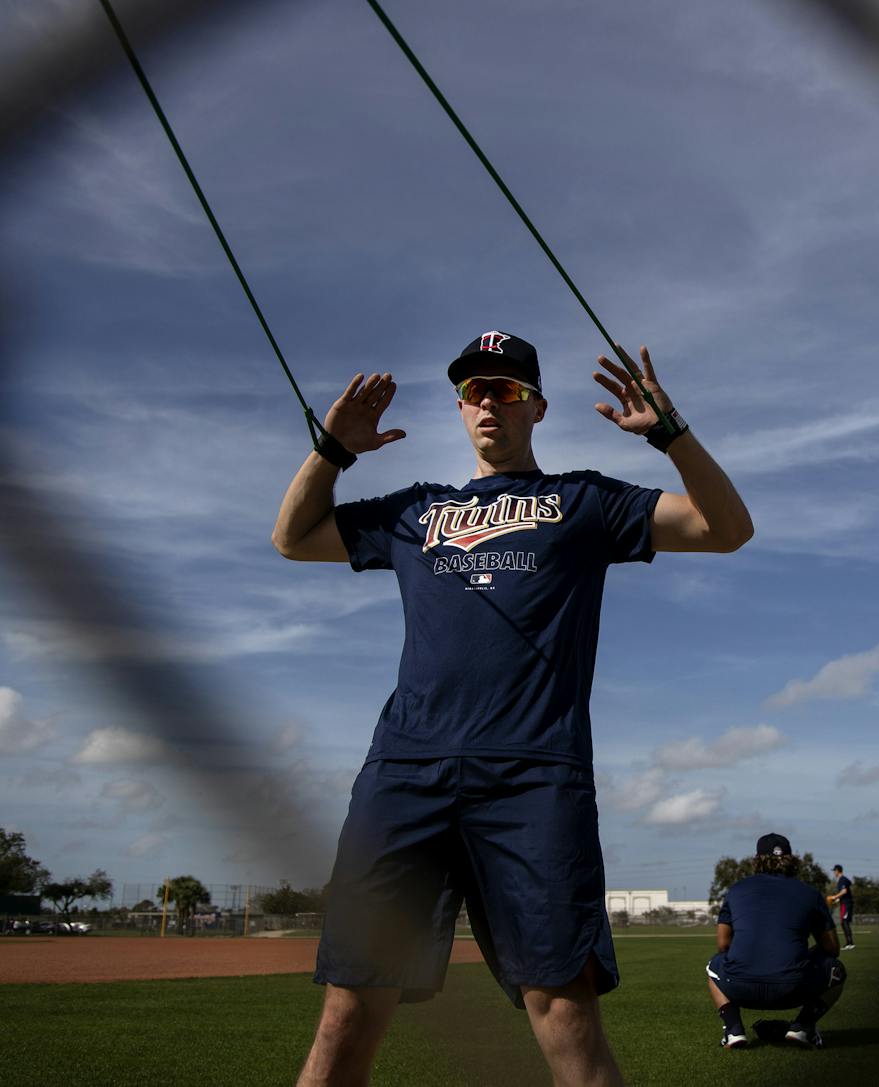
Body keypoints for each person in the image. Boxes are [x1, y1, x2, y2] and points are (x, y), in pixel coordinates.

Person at [272, 331, 754, 1086]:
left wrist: (671, 434)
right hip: (403, 774)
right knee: (347, 1011)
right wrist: (332, 452)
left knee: (564, 1014)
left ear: (536, 406)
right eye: (473, 390)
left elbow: (726, 529)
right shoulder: (412, 511)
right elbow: (293, 539)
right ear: (460, 409)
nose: (488, 401)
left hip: (534, 778)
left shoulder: (584, 501)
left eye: (505, 389)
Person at [706, 833, 847, 1050]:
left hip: (741, 988)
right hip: (792, 989)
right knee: (836, 970)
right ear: (791, 859)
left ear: (756, 858)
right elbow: (832, 948)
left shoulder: (737, 890)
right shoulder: (809, 893)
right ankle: (802, 1027)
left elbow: (723, 945)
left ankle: (733, 1031)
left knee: (714, 966)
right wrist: (805, 956)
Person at [828, 865, 855, 949]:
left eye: (834, 871)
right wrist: (837, 900)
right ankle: (848, 943)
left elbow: (844, 891)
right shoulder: (840, 880)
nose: (834, 873)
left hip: (847, 904)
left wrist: (835, 897)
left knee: (845, 922)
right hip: (844, 903)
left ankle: (850, 943)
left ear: (837, 871)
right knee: (843, 922)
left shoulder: (842, 879)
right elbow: (844, 894)